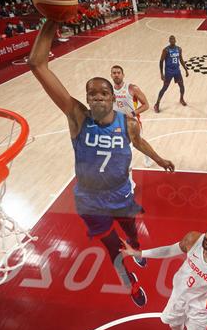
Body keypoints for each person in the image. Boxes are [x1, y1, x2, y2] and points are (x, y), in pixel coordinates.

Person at [28, 19, 175, 308]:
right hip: (90, 202)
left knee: (132, 234)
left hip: (121, 196)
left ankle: (139, 250)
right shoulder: (77, 117)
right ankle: (130, 283)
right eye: (92, 93)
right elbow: (37, 64)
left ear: (112, 98)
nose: (97, 97)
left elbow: (139, 143)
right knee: (113, 249)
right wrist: (51, 18)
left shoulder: (128, 123)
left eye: (103, 93)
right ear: (86, 98)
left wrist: (159, 159)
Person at [120, 216, 207, 330]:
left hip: (201, 306)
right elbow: (169, 250)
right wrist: (138, 253)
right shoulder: (193, 239)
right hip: (180, 293)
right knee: (173, 324)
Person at [110, 65, 153, 168]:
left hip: (132, 122)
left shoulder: (132, 88)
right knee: (119, 144)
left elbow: (146, 105)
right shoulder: (109, 90)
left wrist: (133, 113)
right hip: (117, 122)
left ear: (123, 75)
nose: (116, 75)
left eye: (118, 73)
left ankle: (148, 155)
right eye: (114, 73)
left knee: (139, 142)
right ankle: (125, 165)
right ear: (111, 75)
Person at [154, 35, 189, 113]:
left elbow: (181, 60)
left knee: (182, 86)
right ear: (169, 41)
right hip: (169, 72)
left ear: (175, 40)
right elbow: (161, 61)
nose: (172, 40)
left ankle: (181, 99)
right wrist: (161, 73)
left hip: (177, 71)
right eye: (171, 39)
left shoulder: (179, 49)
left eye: (173, 39)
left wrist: (186, 70)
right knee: (164, 88)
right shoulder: (166, 50)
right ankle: (157, 104)